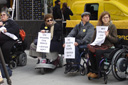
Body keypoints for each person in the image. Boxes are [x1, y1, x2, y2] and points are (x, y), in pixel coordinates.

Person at [87, 11, 118, 78]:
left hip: (109, 47)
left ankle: (99, 72)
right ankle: (94, 70)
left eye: (107, 17)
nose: (105, 19)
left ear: (109, 18)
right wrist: (92, 44)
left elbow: (115, 40)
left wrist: (108, 35)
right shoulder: (99, 27)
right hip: (100, 46)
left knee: (98, 52)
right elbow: (94, 38)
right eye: (104, 18)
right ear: (101, 19)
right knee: (90, 51)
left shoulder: (112, 27)